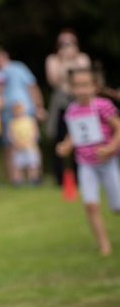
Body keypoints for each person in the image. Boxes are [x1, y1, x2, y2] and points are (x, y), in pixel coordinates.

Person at [56, 68, 120, 255]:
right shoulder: (72, 111)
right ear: (71, 88)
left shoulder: (103, 106)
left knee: (117, 207)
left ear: (94, 87)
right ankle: (104, 245)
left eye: (85, 85)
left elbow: (118, 128)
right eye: (77, 86)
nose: (81, 90)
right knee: (90, 205)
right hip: (85, 164)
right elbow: (73, 135)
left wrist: (110, 148)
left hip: (107, 163)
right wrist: (65, 146)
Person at [0, 46, 47, 183]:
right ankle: (15, 179)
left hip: (26, 112)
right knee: (10, 145)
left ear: (6, 56)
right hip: (6, 115)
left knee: (31, 143)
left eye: (0, 56)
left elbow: (31, 85)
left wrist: (39, 106)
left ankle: (35, 176)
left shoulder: (18, 67)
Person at [45, 29, 91, 186]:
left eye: (70, 43)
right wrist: (63, 62)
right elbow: (53, 81)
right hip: (60, 103)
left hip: (79, 102)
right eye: (63, 43)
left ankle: (82, 175)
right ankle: (60, 178)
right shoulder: (52, 59)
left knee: (81, 137)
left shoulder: (82, 58)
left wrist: (73, 60)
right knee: (60, 138)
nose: (67, 46)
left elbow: (86, 78)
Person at [7, 102, 42, 186]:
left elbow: (34, 133)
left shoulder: (30, 120)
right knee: (17, 165)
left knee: (33, 164)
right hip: (18, 148)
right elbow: (11, 135)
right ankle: (18, 181)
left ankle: (34, 179)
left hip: (30, 146)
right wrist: (17, 143)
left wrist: (29, 142)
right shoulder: (12, 122)